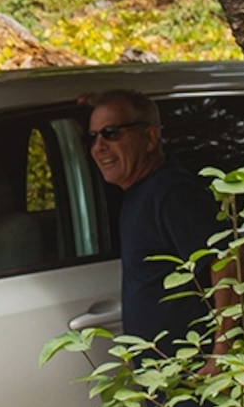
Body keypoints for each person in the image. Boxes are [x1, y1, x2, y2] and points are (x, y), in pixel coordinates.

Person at [87, 87, 213, 346]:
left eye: (111, 133)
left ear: (150, 138)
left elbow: (227, 259)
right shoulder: (138, 192)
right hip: (165, 374)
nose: (98, 147)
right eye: (93, 136)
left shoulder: (173, 193)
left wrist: (222, 350)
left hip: (196, 370)